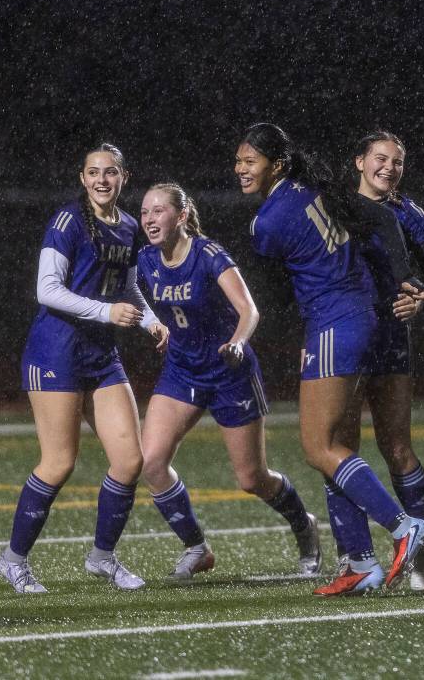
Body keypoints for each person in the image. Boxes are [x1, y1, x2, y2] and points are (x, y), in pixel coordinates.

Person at [235, 122, 424, 594]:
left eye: (250, 161)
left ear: (276, 164)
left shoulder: (268, 221)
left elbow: (277, 282)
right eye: (239, 160)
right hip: (359, 315)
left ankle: (404, 527)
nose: (241, 169)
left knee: (317, 447)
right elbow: (380, 222)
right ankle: (359, 563)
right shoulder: (315, 190)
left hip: (333, 320)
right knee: (338, 443)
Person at [0, 144, 168, 594]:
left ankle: (102, 557)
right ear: (82, 177)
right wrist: (106, 312)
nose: (101, 180)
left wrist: (150, 321)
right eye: (93, 172)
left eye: (110, 172)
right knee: (58, 463)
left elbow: (128, 286)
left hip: (100, 356)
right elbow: (46, 290)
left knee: (131, 460)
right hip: (55, 353)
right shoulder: (68, 222)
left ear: (123, 178)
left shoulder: (129, 226)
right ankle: (13, 561)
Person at [137, 182, 322, 581]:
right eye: (145, 212)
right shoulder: (146, 260)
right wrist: (151, 322)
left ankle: (304, 525)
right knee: (150, 462)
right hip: (181, 370)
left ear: (181, 216)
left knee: (251, 478)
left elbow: (249, 310)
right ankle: (197, 547)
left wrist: (237, 342)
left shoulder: (208, 254)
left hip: (228, 372)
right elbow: (130, 290)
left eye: (158, 211)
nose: (149, 220)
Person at [313, 131, 424, 595]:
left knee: (397, 447)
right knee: (339, 445)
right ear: (358, 161)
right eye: (379, 158)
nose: (388, 168)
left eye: (396, 161)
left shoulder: (409, 215)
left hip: (390, 340)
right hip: (344, 335)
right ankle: (357, 558)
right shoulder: (333, 209)